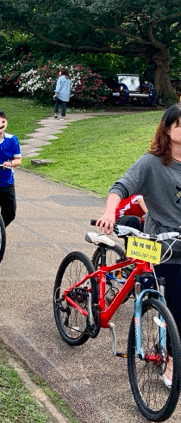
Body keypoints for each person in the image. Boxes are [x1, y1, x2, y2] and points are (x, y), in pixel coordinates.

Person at [97, 105, 181, 386]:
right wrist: (110, 213)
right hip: (163, 247)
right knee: (176, 307)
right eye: (180, 124)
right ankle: (170, 363)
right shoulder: (152, 163)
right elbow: (120, 187)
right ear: (168, 129)